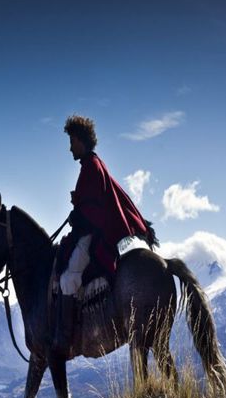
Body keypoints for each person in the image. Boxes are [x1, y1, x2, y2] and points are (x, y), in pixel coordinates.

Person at [54, 115, 156, 358]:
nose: (70, 147)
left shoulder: (91, 167)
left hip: (92, 236)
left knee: (68, 278)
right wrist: (78, 203)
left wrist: (77, 213)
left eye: (72, 141)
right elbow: (93, 202)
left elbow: (92, 211)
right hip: (94, 231)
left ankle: (65, 335)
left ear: (81, 140)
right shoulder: (94, 165)